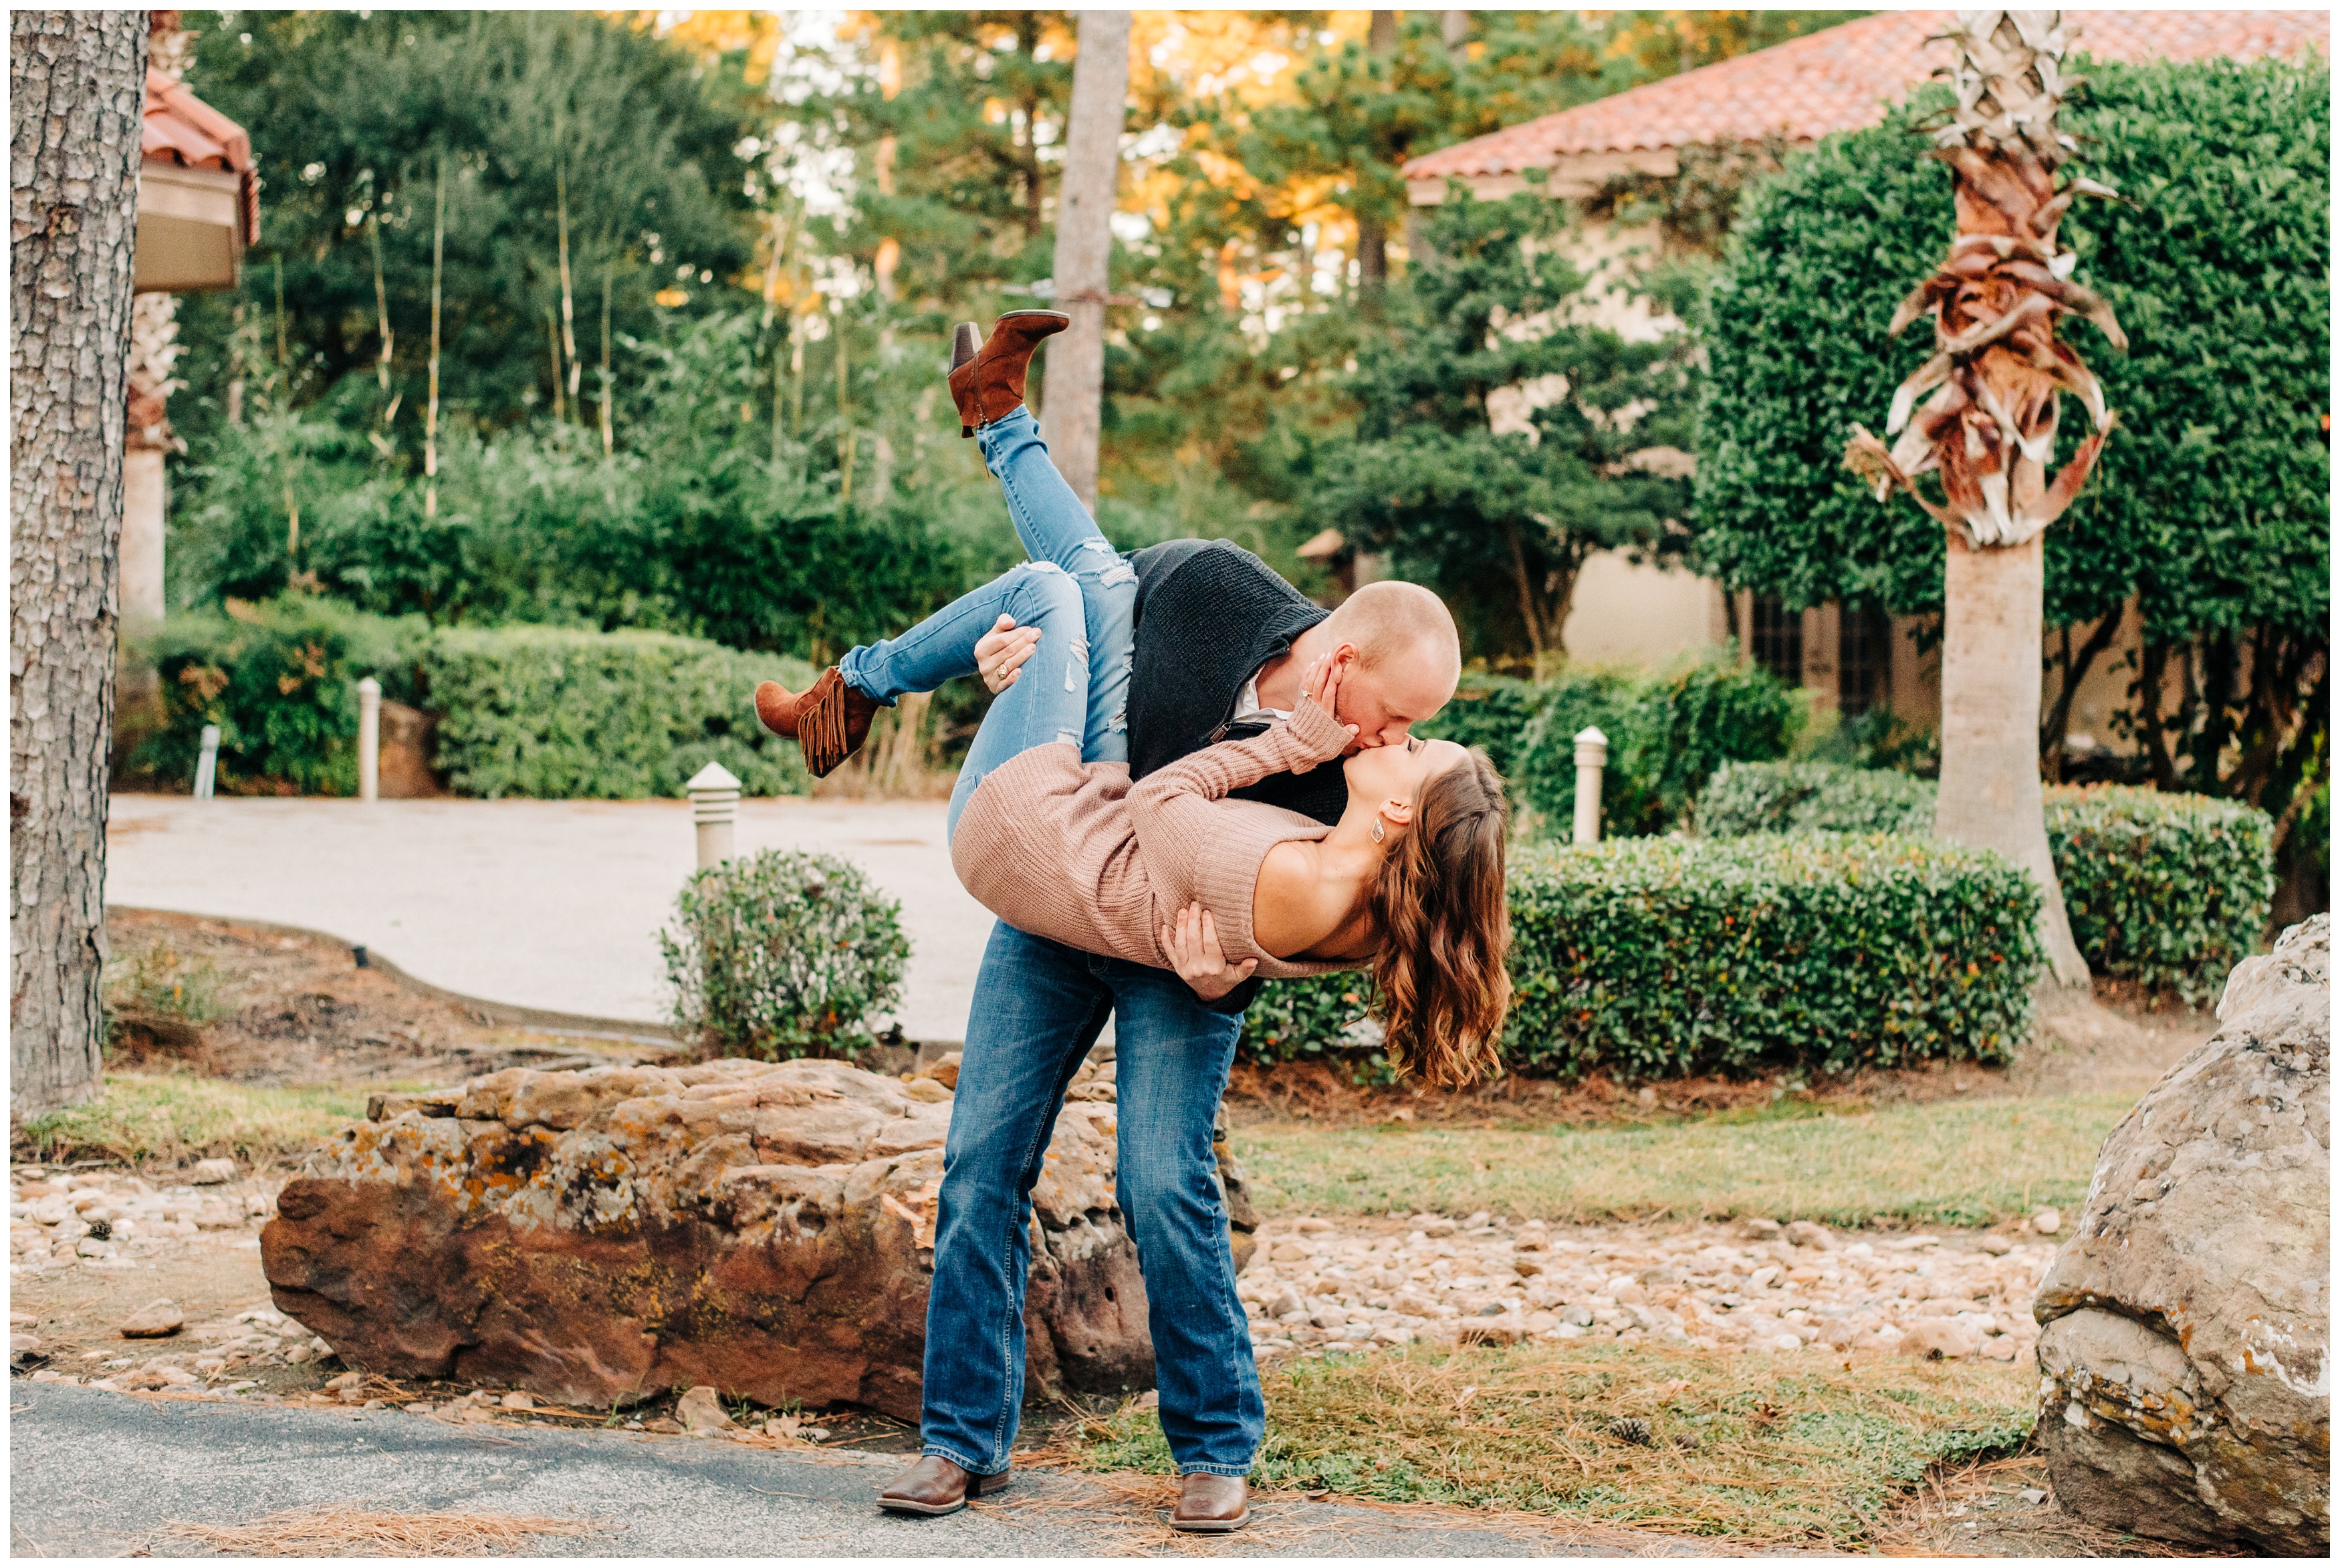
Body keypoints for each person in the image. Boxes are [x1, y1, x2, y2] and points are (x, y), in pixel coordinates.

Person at [755, 312, 1507, 1531]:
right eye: (1389, 715)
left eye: (1405, 733)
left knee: (1165, 1182)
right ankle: (963, 1440)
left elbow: (1313, 908)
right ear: (1344, 652)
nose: (1389, 742)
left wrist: (1235, 972)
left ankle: (1215, 1444)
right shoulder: (1213, 588)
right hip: (1067, 896)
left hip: (1178, 962)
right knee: (979, 1163)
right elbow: (1084, 626)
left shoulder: (1351, 774)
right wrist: (1010, 658)